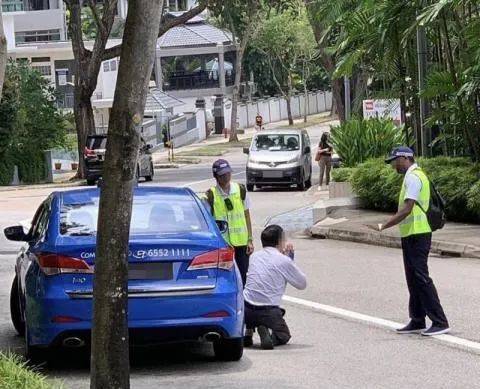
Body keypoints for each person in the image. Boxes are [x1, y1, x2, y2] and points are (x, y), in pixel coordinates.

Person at [366, 146, 450, 336]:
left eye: (395, 160)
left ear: (405, 158)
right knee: (413, 278)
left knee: (421, 277)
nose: (393, 165)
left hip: (418, 234)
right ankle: (417, 319)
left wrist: (382, 226)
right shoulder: (413, 176)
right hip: (412, 234)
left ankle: (440, 321)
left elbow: (407, 209)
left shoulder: (413, 177)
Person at [243, 225, 307, 349]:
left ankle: (247, 333)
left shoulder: (254, 257)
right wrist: (290, 259)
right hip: (267, 310)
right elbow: (302, 284)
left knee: (252, 294)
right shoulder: (283, 260)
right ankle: (270, 337)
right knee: (284, 335)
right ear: (279, 242)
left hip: (246, 309)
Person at [205, 159, 254, 286]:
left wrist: (250, 239)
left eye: (228, 174)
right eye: (223, 175)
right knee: (225, 278)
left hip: (241, 244)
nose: (226, 177)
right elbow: (207, 221)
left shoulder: (240, 190)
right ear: (216, 177)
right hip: (223, 244)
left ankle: (243, 303)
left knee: (243, 278)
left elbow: (246, 215)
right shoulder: (211, 195)